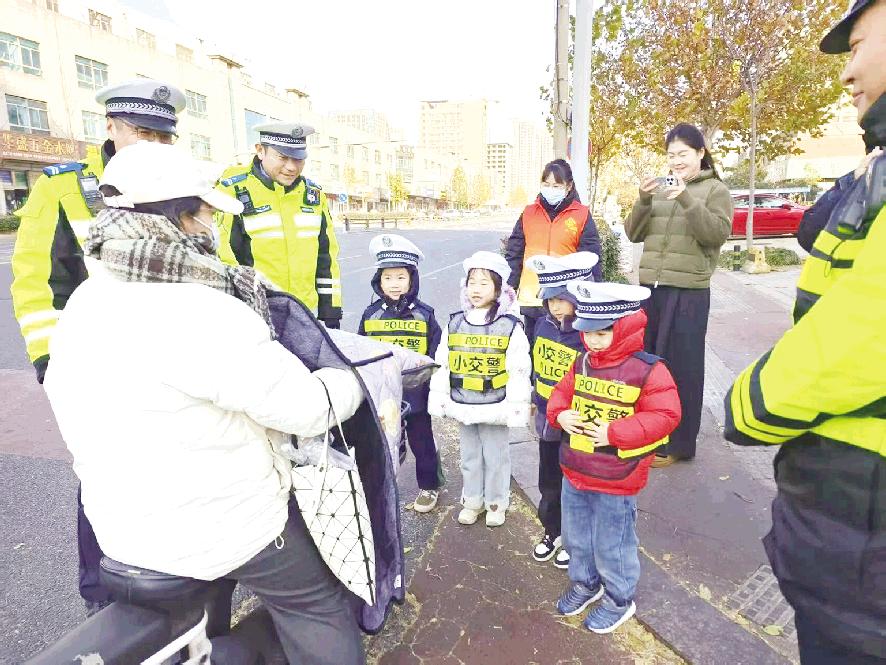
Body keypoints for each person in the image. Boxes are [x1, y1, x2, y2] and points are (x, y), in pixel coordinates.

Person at [42, 141, 367, 665]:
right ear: (181, 219)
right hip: (226, 525)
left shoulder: (84, 301)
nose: (211, 225)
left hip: (124, 529)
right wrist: (350, 381)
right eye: (206, 213)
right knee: (316, 602)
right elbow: (305, 407)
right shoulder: (200, 306)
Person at [725, 2, 886, 662]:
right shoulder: (873, 169)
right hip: (849, 540)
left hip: (860, 546)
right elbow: (816, 231)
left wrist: (743, 402)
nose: (847, 72)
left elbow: (851, 339)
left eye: (859, 46)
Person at [10, 78, 186, 615]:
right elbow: (36, 279)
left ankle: (175, 575)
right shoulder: (63, 187)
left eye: (162, 134)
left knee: (176, 471)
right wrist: (48, 359)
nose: (151, 144)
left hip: (171, 361)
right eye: (140, 131)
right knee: (103, 478)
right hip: (98, 366)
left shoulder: (182, 181)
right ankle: (103, 597)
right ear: (109, 127)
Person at [547, 281, 681, 634]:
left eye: (602, 333)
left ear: (623, 327)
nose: (592, 341)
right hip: (575, 469)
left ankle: (619, 598)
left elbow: (666, 416)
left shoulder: (648, 369)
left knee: (613, 542)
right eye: (587, 332)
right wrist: (559, 414)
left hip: (617, 477)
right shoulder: (582, 362)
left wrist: (613, 433)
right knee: (576, 536)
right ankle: (585, 584)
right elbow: (560, 394)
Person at [624, 123, 733, 467]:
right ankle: (648, 434)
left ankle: (678, 444)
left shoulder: (716, 190)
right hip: (650, 290)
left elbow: (714, 234)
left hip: (688, 292)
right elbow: (633, 233)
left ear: (701, 153)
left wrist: (685, 196)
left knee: (682, 369)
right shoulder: (659, 189)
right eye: (671, 155)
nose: (675, 162)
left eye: (682, 154)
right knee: (648, 365)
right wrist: (643, 199)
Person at [428, 251, 532, 527]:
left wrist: (516, 409)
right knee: (470, 457)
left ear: (499, 289)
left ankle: (496, 502)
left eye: (484, 283)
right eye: (472, 282)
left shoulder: (509, 327)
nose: (476, 289)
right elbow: (444, 363)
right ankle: (472, 500)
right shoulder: (455, 322)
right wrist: (440, 402)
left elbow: (519, 370)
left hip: (495, 405)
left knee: (496, 457)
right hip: (464, 402)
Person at [216, 122, 343, 328]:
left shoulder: (314, 195)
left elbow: (326, 257)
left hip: (305, 313)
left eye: (299, 158)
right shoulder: (232, 191)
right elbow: (224, 258)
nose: (292, 167)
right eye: (283, 157)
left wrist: (331, 312)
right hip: (255, 314)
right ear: (260, 151)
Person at [358, 233, 444, 513]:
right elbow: (362, 352)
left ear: (412, 279)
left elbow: (436, 354)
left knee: (422, 442)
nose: (394, 284)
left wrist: (433, 388)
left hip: (417, 393)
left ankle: (429, 486)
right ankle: (383, 488)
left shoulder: (425, 315)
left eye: (400, 277)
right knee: (386, 442)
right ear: (378, 281)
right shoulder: (370, 316)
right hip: (385, 395)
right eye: (388, 277)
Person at [523, 252, 599, 568]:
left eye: (562, 297)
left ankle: (574, 538)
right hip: (547, 420)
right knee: (549, 480)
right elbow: (536, 365)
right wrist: (532, 397)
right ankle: (552, 531)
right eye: (550, 298)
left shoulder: (587, 334)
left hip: (576, 423)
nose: (555, 305)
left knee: (576, 482)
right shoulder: (541, 325)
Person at [504, 159, 603, 343]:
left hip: (565, 300)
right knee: (532, 350)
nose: (551, 189)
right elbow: (514, 254)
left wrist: (593, 295)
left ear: (569, 186)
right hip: (531, 296)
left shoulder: (581, 214)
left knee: (563, 349)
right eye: (546, 184)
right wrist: (507, 289)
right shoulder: (529, 213)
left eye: (557, 185)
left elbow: (592, 258)